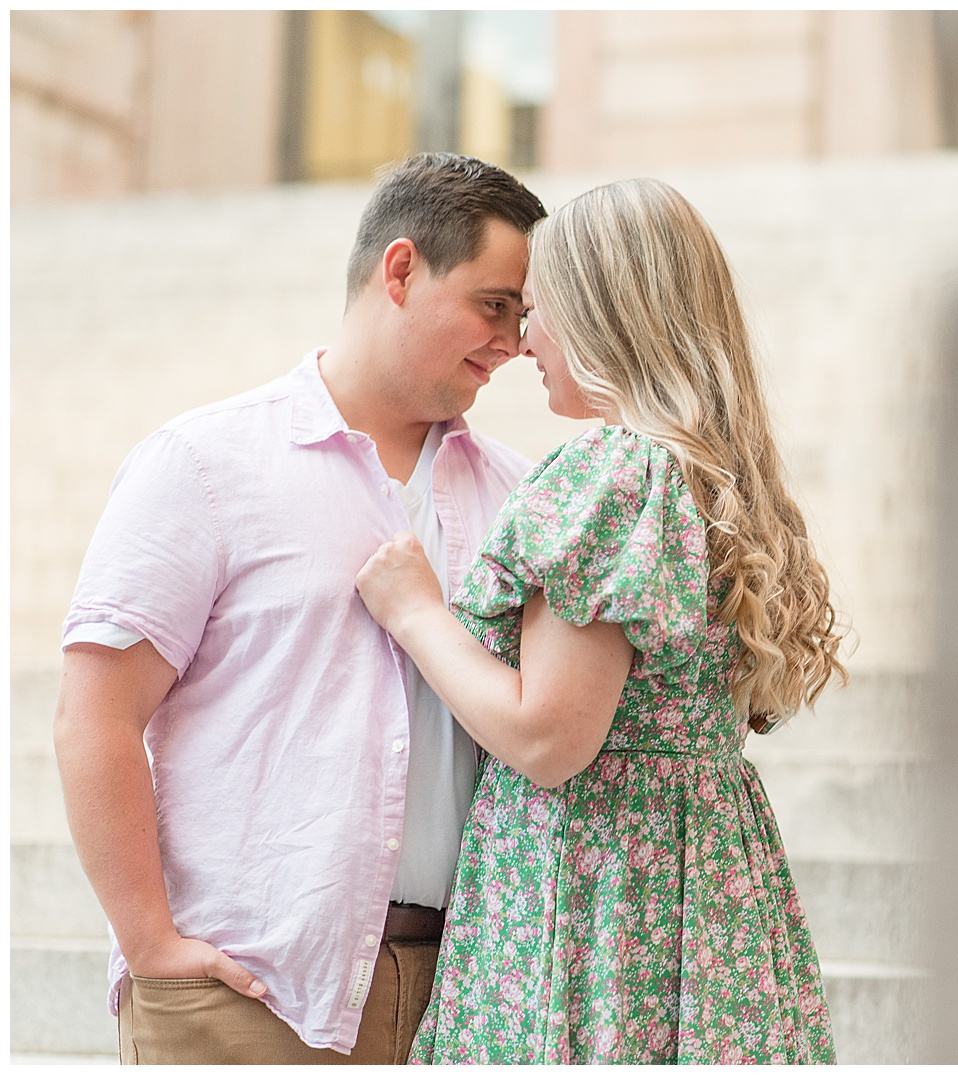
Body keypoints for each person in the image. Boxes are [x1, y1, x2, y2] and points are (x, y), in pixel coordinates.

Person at [54, 153, 547, 1064]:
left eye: (523, 316)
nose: (514, 342)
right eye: (494, 304)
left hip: (469, 996)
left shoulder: (527, 496)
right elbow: (96, 713)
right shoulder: (204, 464)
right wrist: (151, 943)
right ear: (399, 270)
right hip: (245, 996)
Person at [354, 177, 847, 1063]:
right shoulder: (715, 478)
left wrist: (417, 612)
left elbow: (547, 737)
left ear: (601, 317)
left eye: (538, 310)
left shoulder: (611, 474)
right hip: (701, 893)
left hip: (595, 891)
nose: (522, 340)